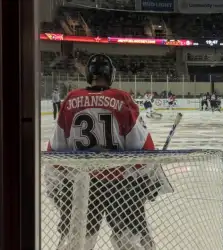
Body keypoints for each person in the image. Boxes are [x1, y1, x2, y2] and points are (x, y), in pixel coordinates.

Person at [47, 54, 159, 250]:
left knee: (76, 242)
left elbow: (55, 152)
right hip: (120, 184)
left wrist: (56, 186)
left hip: (80, 184)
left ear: (89, 75)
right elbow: (145, 150)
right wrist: (148, 178)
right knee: (127, 242)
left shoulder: (71, 99)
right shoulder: (122, 98)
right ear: (111, 75)